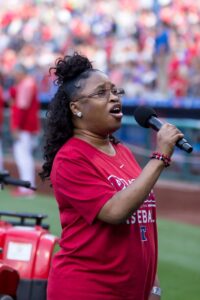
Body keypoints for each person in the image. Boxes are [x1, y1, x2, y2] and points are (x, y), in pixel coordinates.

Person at [39, 52, 184, 300]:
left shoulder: (121, 151)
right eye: (101, 93)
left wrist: (153, 285)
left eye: (115, 91)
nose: (114, 97)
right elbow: (115, 212)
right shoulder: (70, 159)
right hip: (87, 290)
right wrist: (160, 157)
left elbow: (142, 228)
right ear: (76, 108)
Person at [9, 64, 40, 197]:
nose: (14, 76)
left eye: (15, 73)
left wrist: (16, 126)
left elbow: (22, 108)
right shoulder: (26, 83)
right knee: (24, 156)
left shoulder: (27, 84)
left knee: (23, 157)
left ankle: (26, 187)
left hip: (25, 127)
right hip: (28, 127)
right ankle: (27, 187)